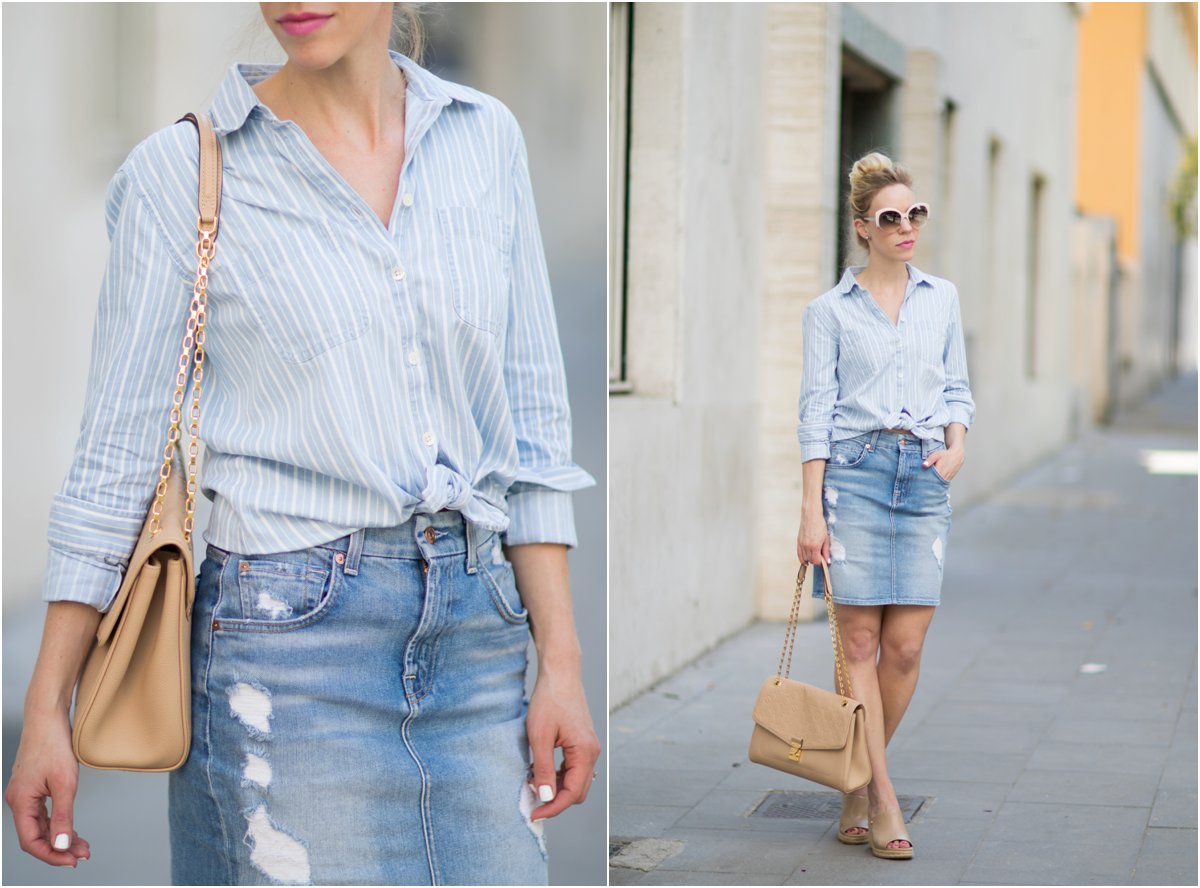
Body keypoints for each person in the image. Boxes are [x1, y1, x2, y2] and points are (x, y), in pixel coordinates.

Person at [5, 4, 600, 884]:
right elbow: (115, 462)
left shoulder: (485, 140)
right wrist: (47, 706)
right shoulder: (181, 174)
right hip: (282, 650)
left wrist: (562, 663)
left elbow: (534, 428)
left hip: (479, 637)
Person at [795, 151, 975, 860]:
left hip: (925, 476)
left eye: (915, 214)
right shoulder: (827, 312)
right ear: (864, 228)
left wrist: (956, 447)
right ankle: (883, 795)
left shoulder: (943, 299)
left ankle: (853, 778)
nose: (907, 227)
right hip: (854, 477)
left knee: (905, 650)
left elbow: (957, 385)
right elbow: (814, 413)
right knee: (860, 645)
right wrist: (811, 511)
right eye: (891, 218)